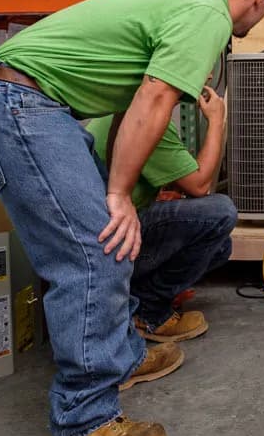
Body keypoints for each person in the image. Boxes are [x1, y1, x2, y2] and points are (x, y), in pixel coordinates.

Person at [0, 0, 264, 436]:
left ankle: (123, 354)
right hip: (18, 104)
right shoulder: (207, 15)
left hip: (24, 104)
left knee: (104, 243)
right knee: (96, 251)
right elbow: (153, 98)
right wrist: (120, 191)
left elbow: (138, 103)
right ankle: (86, 419)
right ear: (260, 0)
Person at [85, 85, 233, 348]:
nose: (208, 75)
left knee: (220, 246)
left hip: (105, 236)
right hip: (109, 246)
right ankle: (148, 310)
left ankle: (136, 297)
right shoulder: (147, 120)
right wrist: (216, 121)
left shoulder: (129, 109)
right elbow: (200, 186)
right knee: (220, 212)